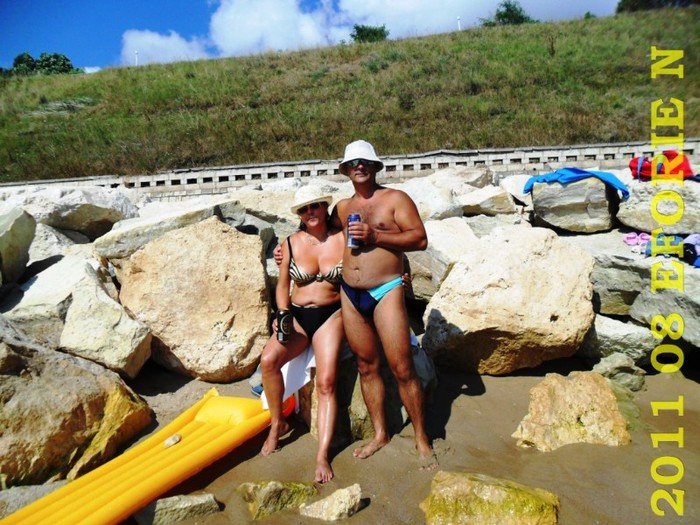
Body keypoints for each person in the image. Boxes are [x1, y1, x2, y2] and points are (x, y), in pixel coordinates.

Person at [332, 139, 436, 469]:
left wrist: (377, 237)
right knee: (366, 366)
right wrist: (285, 253)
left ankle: (422, 438)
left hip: (385, 290)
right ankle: (380, 434)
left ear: (375, 167)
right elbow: (315, 231)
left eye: (365, 162)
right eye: (353, 163)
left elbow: (419, 238)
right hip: (350, 292)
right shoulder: (342, 207)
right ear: (346, 170)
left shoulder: (395, 199)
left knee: (403, 368)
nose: (359, 166)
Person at [259, 185, 345, 483]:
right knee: (268, 360)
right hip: (297, 315)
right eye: (304, 209)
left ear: (324, 207)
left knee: (327, 381)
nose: (310, 213)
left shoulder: (343, 238)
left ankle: (322, 454)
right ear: (299, 214)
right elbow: (283, 285)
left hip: (330, 315)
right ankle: (277, 424)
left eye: (315, 207)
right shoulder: (290, 243)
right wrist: (282, 313)